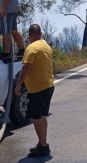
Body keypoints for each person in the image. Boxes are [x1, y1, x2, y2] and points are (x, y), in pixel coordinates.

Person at [15, 24, 55, 158]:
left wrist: (19, 84)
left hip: (38, 88)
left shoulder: (31, 48)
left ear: (30, 35)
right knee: (42, 115)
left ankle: (43, 147)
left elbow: (26, 68)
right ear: (41, 34)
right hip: (49, 85)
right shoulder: (46, 46)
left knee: (35, 117)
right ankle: (42, 142)